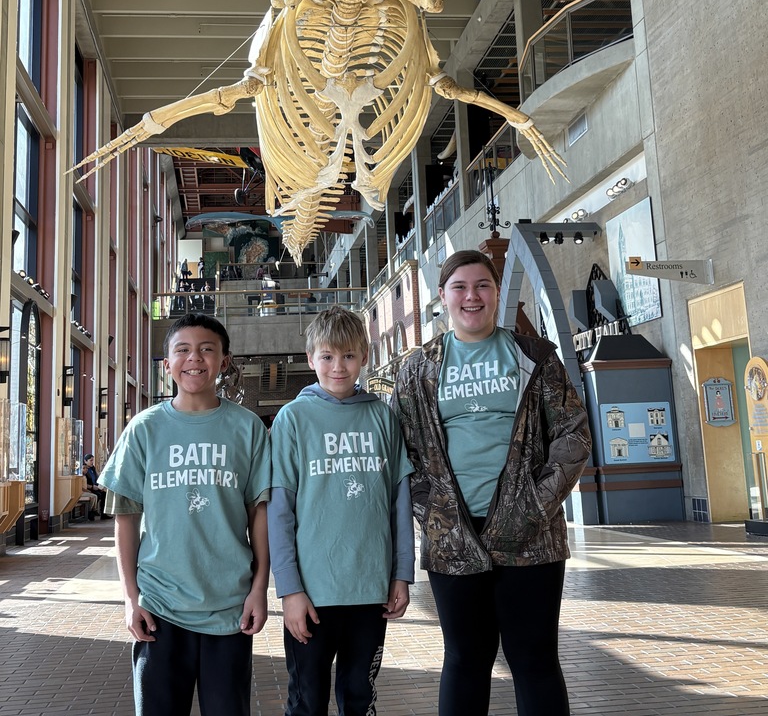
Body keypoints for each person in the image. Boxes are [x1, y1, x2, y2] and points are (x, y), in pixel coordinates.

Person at [390, 249, 591, 716]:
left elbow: (573, 433)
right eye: (459, 287)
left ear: (497, 293)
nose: (471, 296)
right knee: (464, 660)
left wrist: (534, 508)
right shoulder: (418, 368)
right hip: (454, 541)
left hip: (532, 539)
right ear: (442, 297)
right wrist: (434, 514)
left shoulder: (532, 356)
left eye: (482, 285)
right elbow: (402, 452)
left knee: (535, 660)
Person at [99, 313, 271, 716]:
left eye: (207, 349)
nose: (195, 358)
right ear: (167, 365)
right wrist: (130, 599)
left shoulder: (247, 428)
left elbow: (258, 514)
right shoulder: (144, 430)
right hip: (159, 608)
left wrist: (260, 587)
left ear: (224, 361)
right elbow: (126, 518)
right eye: (183, 349)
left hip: (229, 606)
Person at [268, 306, 414, 716]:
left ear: (364, 357)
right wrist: (289, 590)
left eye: (348, 356)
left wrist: (402, 573)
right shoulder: (293, 419)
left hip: (370, 590)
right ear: (311, 357)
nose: (338, 366)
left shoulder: (382, 417)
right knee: (306, 701)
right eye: (328, 356)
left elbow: (398, 500)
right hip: (312, 594)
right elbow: (280, 512)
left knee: (359, 697)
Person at [83, 453, 112, 520]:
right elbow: (84, 483)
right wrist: (92, 487)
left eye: (93, 460)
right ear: (85, 461)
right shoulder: (84, 470)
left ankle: (103, 513)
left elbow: (96, 478)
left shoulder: (93, 469)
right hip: (90, 488)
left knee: (104, 493)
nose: (92, 462)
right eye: (90, 460)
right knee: (98, 495)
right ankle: (92, 512)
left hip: (95, 486)